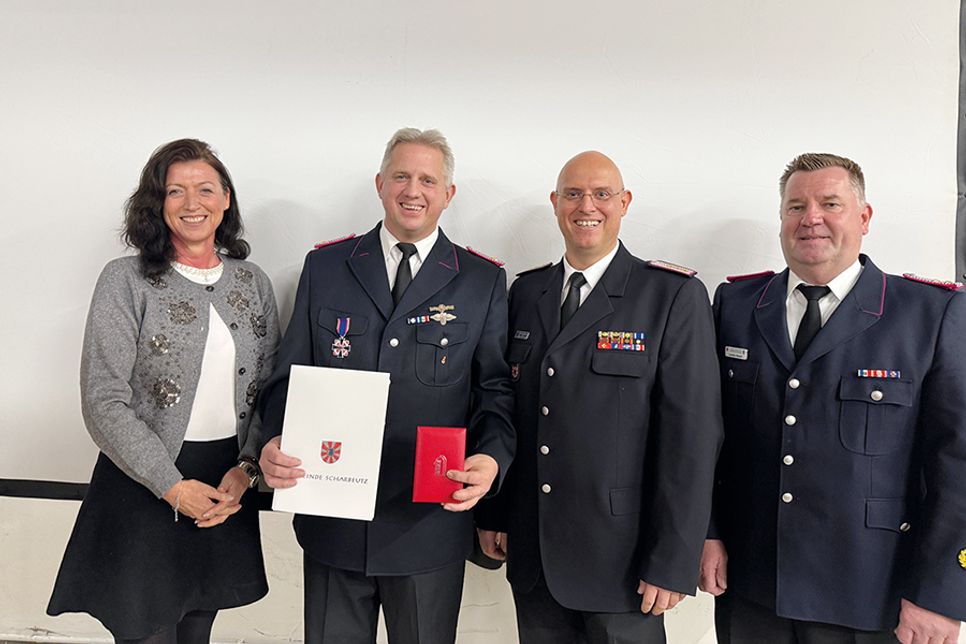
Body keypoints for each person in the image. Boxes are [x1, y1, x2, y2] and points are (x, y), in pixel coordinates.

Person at [257, 127, 515, 644]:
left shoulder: (481, 279)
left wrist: (491, 458)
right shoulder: (327, 266)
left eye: (427, 179)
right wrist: (271, 442)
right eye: (401, 176)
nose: (412, 190)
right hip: (334, 522)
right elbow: (288, 377)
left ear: (448, 194)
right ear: (380, 184)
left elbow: (493, 391)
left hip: (428, 526)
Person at [701, 153, 966, 644]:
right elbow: (709, 437)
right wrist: (708, 530)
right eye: (795, 206)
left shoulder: (930, 314)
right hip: (755, 586)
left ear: (864, 218)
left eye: (830, 203)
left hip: (870, 592)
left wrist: (940, 592)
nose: (811, 219)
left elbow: (957, 464)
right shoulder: (735, 306)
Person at [475, 151, 723, 644]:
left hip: (625, 565)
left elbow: (691, 439)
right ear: (555, 203)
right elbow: (510, 410)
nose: (586, 205)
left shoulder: (670, 295)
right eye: (573, 193)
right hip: (537, 555)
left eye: (602, 194)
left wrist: (673, 559)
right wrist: (497, 514)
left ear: (624, 202)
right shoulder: (526, 292)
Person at [47, 139, 280, 643]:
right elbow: (103, 400)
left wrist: (246, 470)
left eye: (204, 189)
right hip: (144, 486)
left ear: (225, 199)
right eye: (175, 191)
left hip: (224, 486)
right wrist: (172, 487)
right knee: (146, 633)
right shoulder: (125, 281)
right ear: (157, 204)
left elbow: (270, 390)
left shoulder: (253, 282)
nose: (191, 203)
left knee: (198, 630)